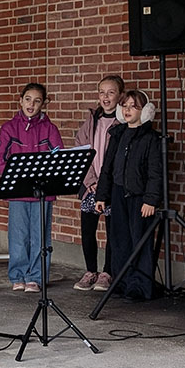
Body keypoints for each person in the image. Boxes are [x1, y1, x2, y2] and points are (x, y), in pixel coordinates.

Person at [0, 82, 63, 293]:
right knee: (18, 236)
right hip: (19, 192)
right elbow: (1, 158)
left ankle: (36, 277)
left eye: (37, 101)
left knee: (40, 235)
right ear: (20, 100)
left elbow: (58, 158)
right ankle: (18, 276)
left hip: (43, 193)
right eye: (28, 99)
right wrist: (16, 180)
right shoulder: (8, 128)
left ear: (44, 103)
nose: (31, 104)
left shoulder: (50, 129)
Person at [95, 90, 162, 302]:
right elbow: (108, 168)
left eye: (134, 106)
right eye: (125, 105)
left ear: (145, 112)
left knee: (139, 241)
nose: (128, 109)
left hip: (139, 197)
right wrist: (101, 196)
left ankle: (139, 285)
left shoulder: (151, 138)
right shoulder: (117, 135)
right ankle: (121, 281)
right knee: (119, 240)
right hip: (118, 193)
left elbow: (155, 171)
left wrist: (151, 199)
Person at [73, 75, 125, 292]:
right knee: (87, 230)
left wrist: (107, 184)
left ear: (120, 96)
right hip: (91, 186)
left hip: (111, 187)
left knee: (112, 230)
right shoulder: (91, 122)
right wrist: (91, 182)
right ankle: (90, 270)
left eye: (111, 92)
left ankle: (107, 272)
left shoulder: (122, 123)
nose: (105, 97)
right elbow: (80, 151)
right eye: (102, 92)